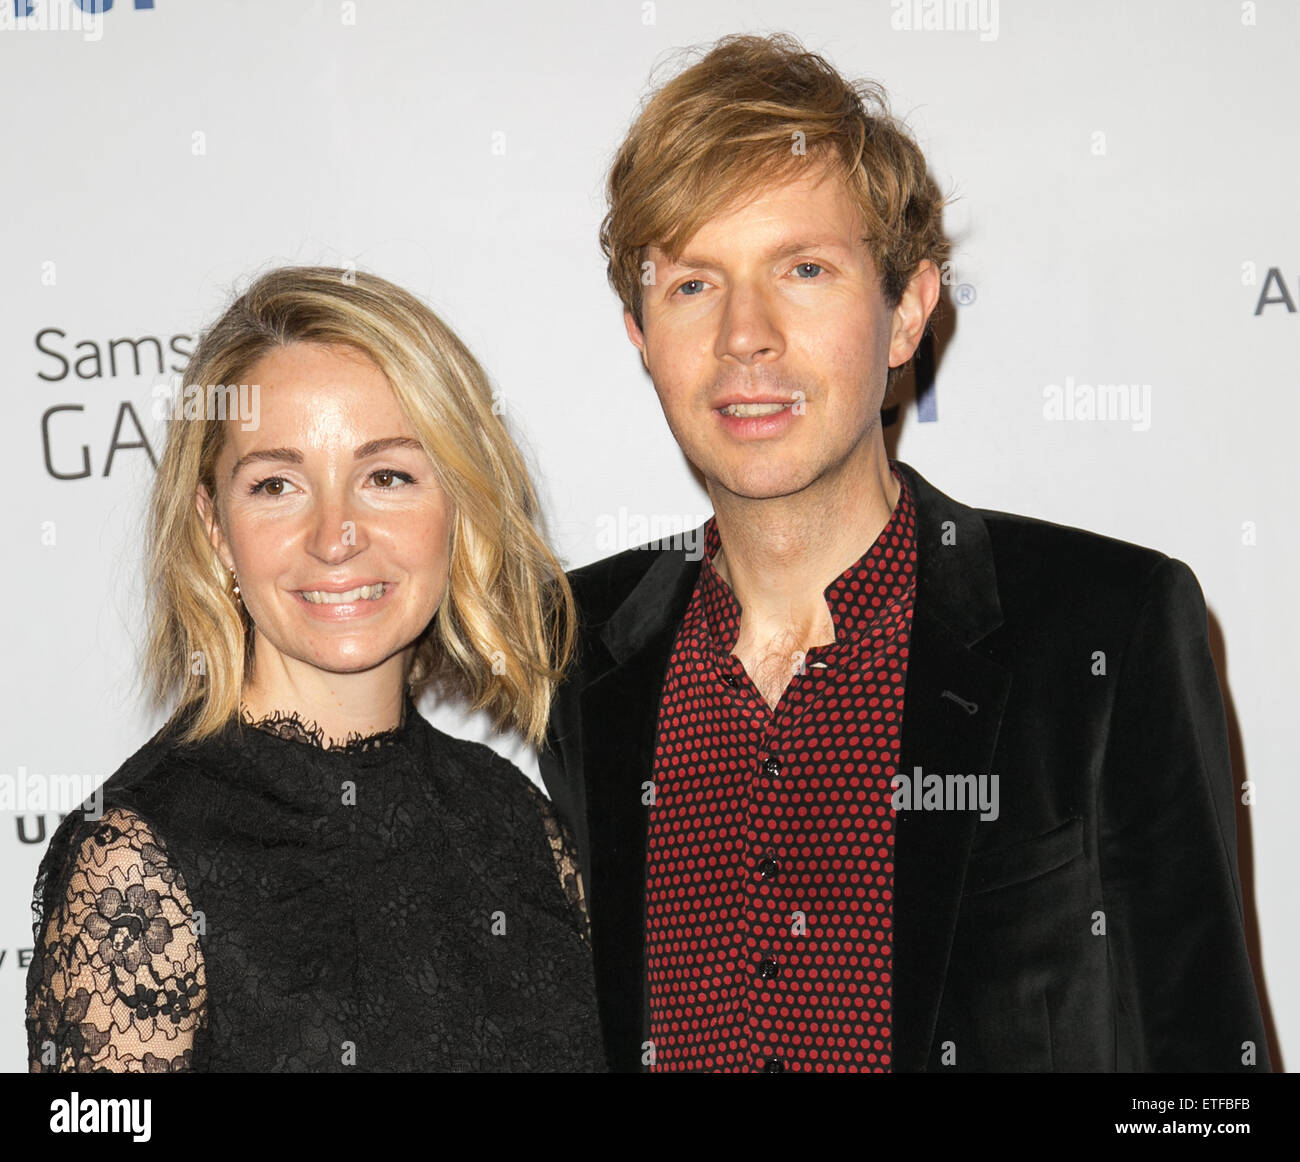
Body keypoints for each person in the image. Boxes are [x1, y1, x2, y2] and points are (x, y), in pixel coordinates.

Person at [538, 33, 1271, 1073]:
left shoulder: (1104, 627)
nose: (746, 333)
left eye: (803, 269)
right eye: (694, 284)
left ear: (906, 314)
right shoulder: (580, 655)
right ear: (639, 334)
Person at [26, 266, 605, 1072]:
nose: (336, 535)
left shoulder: (518, 822)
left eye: (387, 476)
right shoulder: (137, 863)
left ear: (459, 504)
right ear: (216, 529)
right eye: (276, 484)